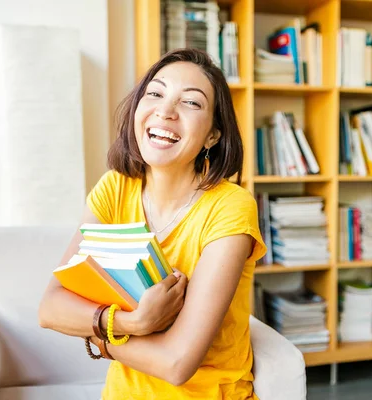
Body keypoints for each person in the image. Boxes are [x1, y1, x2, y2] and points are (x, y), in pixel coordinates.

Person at [38, 47, 267, 400]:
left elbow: (176, 364)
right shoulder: (115, 188)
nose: (165, 110)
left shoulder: (231, 207)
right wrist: (132, 323)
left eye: (191, 103)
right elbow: (51, 307)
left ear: (212, 136)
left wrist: (98, 336)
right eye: (155, 93)